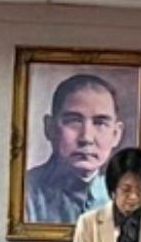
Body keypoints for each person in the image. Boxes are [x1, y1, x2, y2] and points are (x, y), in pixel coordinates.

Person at [25, 73, 124, 224]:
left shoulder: (124, 199)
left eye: (100, 123)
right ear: (50, 128)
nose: (86, 138)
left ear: (116, 134)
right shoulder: (24, 192)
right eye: (73, 121)